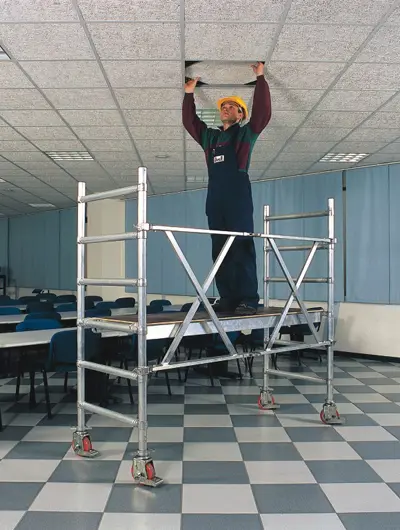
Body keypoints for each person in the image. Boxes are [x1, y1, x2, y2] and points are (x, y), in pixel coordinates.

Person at [182, 62, 272, 316]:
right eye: (223, 106)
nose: (226, 108)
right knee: (219, 249)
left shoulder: (245, 135)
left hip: (238, 197)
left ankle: (248, 299)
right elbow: (190, 122)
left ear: (240, 115)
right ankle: (227, 298)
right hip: (215, 198)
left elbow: (262, 114)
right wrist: (189, 94)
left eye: (232, 107)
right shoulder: (210, 138)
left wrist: (260, 78)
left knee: (241, 246)